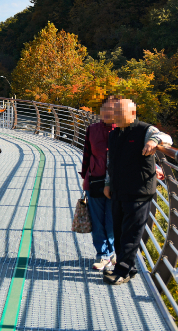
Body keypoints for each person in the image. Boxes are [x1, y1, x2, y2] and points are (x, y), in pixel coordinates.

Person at [103, 98, 172, 285]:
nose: (115, 115)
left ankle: (123, 271)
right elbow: (111, 160)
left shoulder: (145, 130)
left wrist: (153, 141)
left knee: (131, 233)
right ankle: (127, 267)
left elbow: (167, 138)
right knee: (118, 231)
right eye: (114, 112)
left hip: (139, 191)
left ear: (133, 113)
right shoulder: (115, 134)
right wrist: (107, 183)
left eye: (119, 112)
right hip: (118, 189)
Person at [79, 95, 116, 271]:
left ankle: (111, 252)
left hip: (117, 183)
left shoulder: (124, 130)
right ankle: (102, 255)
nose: (107, 112)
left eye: (112, 109)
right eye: (105, 109)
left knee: (112, 221)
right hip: (95, 180)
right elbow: (87, 153)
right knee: (97, 221)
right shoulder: (92, 129)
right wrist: (85, 177)